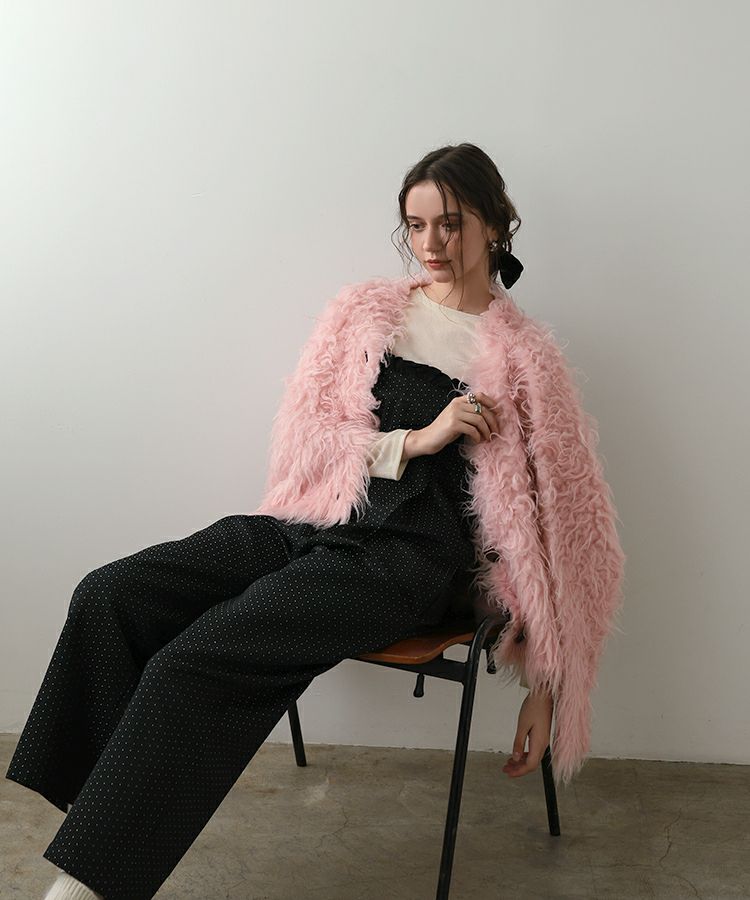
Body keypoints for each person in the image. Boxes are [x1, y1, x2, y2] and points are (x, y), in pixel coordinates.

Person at [6, 142, 622, 900]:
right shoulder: (365, 314)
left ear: (496, 225)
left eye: (452, 223)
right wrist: (419, 439)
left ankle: (87, 880)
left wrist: (548, 687)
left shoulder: (526, 358)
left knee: (193, 659)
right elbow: (310, 436)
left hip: (408, 557)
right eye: (415, 225)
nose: (431, 244)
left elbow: (568, 529)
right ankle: (106, 814)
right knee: (110, 594)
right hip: (314, 517)